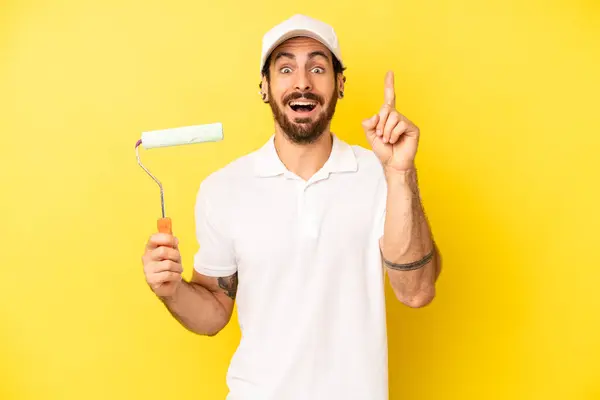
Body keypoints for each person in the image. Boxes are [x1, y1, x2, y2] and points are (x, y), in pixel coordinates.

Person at [141, 14, 442, 400]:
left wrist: (400, 172)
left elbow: (416, 292)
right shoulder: (223, 189)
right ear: (264, 87)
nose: (302, 82)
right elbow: (214, 312)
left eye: (318, 67)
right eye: (285, 68)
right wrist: (170, 290)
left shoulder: (380, 174)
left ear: (340, 85)